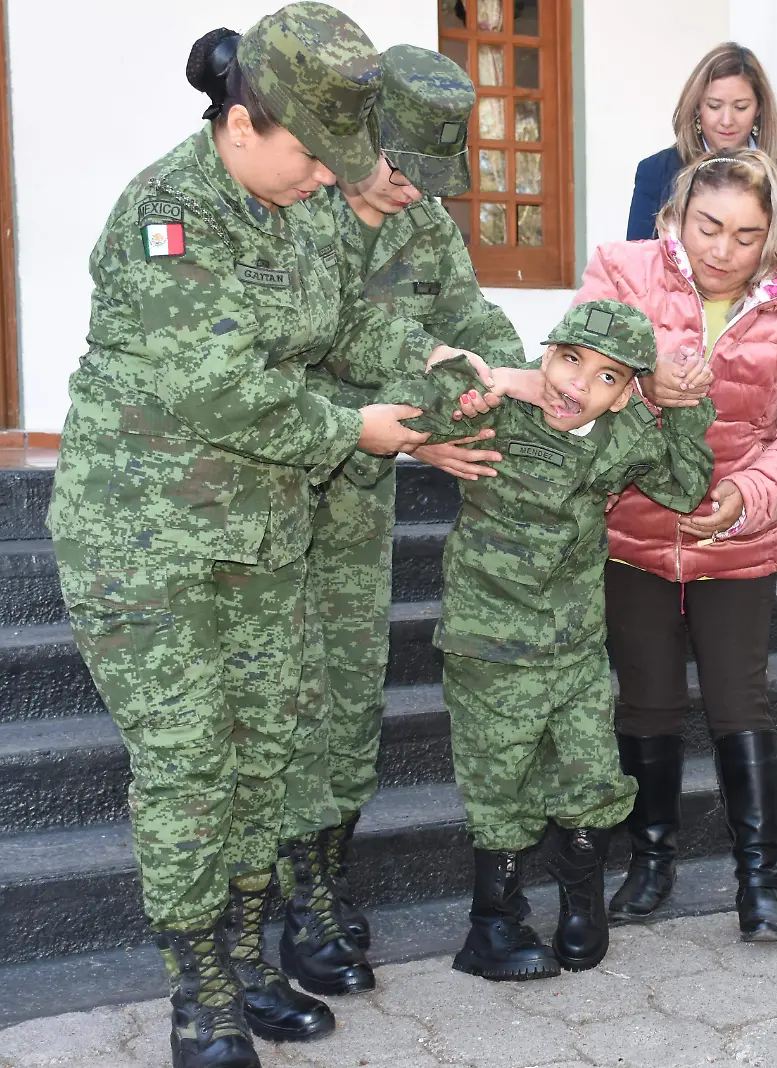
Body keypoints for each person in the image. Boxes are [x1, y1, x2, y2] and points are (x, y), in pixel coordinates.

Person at [46, 7, 479, 1067]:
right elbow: (226, 392)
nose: (330, 179)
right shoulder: (166, 216)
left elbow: (352, 326)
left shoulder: (295, 209)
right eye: (314, 158)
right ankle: (198, 1000)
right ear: (243, 122)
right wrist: (360, 428)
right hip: (146, 549)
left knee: (263, 758)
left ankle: (245, 967)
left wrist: (453, 369)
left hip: (260, 537)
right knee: (193, 764)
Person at [385, 300, 716, 980]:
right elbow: (417, 407)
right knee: (498, 781)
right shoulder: (498, 410)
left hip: (573, 644)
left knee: (592, 775)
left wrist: (682, 403)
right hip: (490, 643)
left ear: (628, 393)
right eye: (569, 359)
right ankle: (492, 926)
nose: (577, 385)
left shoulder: (624, 435)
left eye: (606, 377)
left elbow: (685, 487)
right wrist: (498, 380)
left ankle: (580, 902)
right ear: (548, 354)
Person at [302, 42, 525, 958]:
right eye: (400, 166)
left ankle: (321, 886)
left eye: (433, 176)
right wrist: (435, 385)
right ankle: (281, 901)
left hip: (357, 502)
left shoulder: (423, 221)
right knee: (284, 698)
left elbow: (472, 324)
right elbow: (337, 342)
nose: (410, 189)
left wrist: (527, 381)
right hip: (268, 492)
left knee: (352, 697)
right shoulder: (293, 205)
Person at [585, 149, 777, 942]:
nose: (722, 249)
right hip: (633, 533)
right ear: (678, 213)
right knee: (647, 702)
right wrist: (637, 380)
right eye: (708, 227)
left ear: (774, 235)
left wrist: (749, 495)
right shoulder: (621, 270)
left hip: (740, 537)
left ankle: (760, 881)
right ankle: (652, 862)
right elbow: (571, 374)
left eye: (746, 233)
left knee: (740, 702)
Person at [625, 43, 777, 276]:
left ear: (759, 109)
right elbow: (636, 267)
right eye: (714, 106)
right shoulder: (657, 170)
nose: (727, 120)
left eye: (740, 107)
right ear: (696, 107)